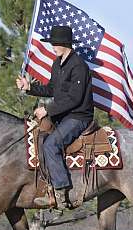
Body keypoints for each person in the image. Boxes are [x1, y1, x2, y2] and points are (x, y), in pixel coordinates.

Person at [16, 25, 94, 209]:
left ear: (66, 44)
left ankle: (60, 193)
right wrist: (30, 88)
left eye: (55, 43)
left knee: (51, 145)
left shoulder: (78, 66)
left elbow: (74, 98)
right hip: (63, 116)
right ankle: (46, 187)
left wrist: (48, 110)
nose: (53, 47)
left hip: (79, 117)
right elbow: (52, 89)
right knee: (36, 137)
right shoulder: (57, 64)